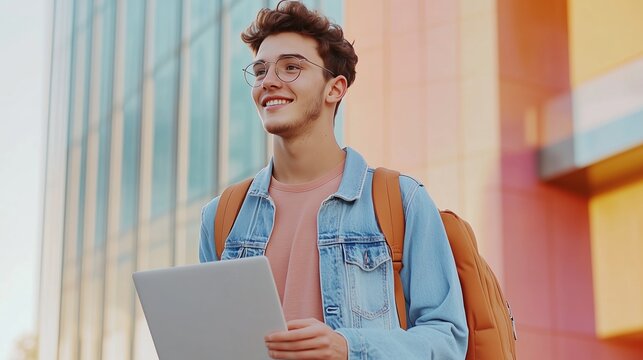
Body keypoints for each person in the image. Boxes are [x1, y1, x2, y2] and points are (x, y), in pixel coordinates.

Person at [199, 1, 468, 359]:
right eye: (261, 70)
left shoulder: (400, 201)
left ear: (335, 89)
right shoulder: (222, 217)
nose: (269, 81)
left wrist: (350, 348)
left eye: (291, 67)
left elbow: (448, 339)